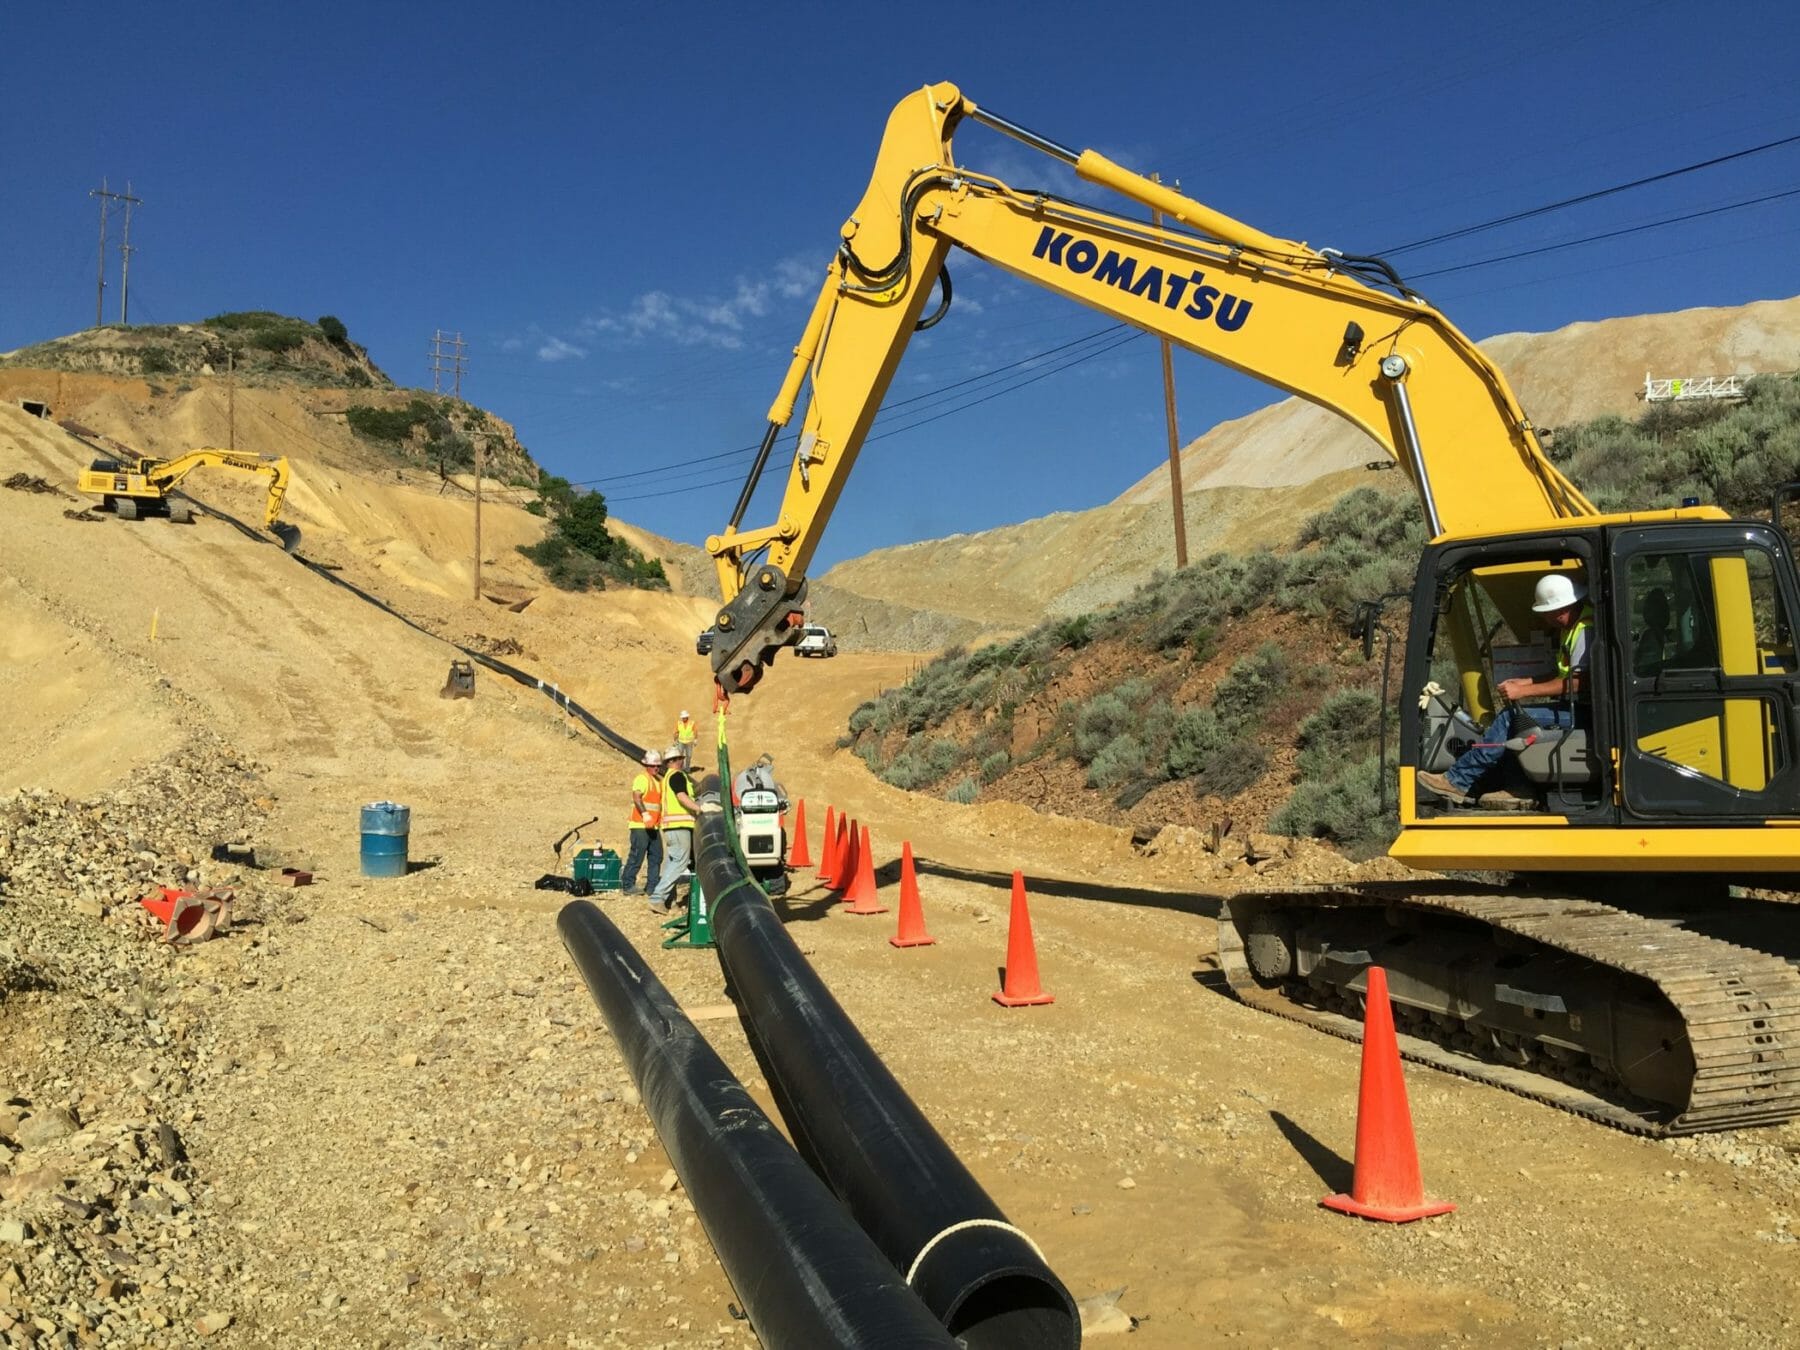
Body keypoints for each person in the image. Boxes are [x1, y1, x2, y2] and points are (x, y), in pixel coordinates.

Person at [1419, 572, 1593, 805]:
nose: (1546, 620)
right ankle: (1517, 788)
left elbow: (1580, 682)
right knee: (1516, 720)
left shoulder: (1585, 629)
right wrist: (1527, 682)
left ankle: (1459, 780)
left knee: (1511, 718)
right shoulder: (1573, 628)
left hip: (1585, 712)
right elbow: (1565, 674)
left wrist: (1525, 692)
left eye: (1547, 614)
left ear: (1560, 610)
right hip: (1577, 708)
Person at [647, 744, 699, 914]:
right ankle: (657, 897)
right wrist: (700, 809)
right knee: (680, 862)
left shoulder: (667, 777)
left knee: (671, 862)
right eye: (680, 759)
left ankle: (670, 900)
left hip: (670, 828)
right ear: (677, 761)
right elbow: (682, 796)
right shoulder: (677, 776)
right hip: (679, 827)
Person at [620, 749, 663, 896]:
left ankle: (652, 886)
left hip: (654, 826)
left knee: (656, 855)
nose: (656, 768)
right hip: (640, 825)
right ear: (646, 765)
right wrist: (645, 815)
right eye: (653, 765)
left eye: (657, 765)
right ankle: (628, 885)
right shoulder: (642, 779)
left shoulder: (658, 781)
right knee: (637, 855)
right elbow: (637, 797)